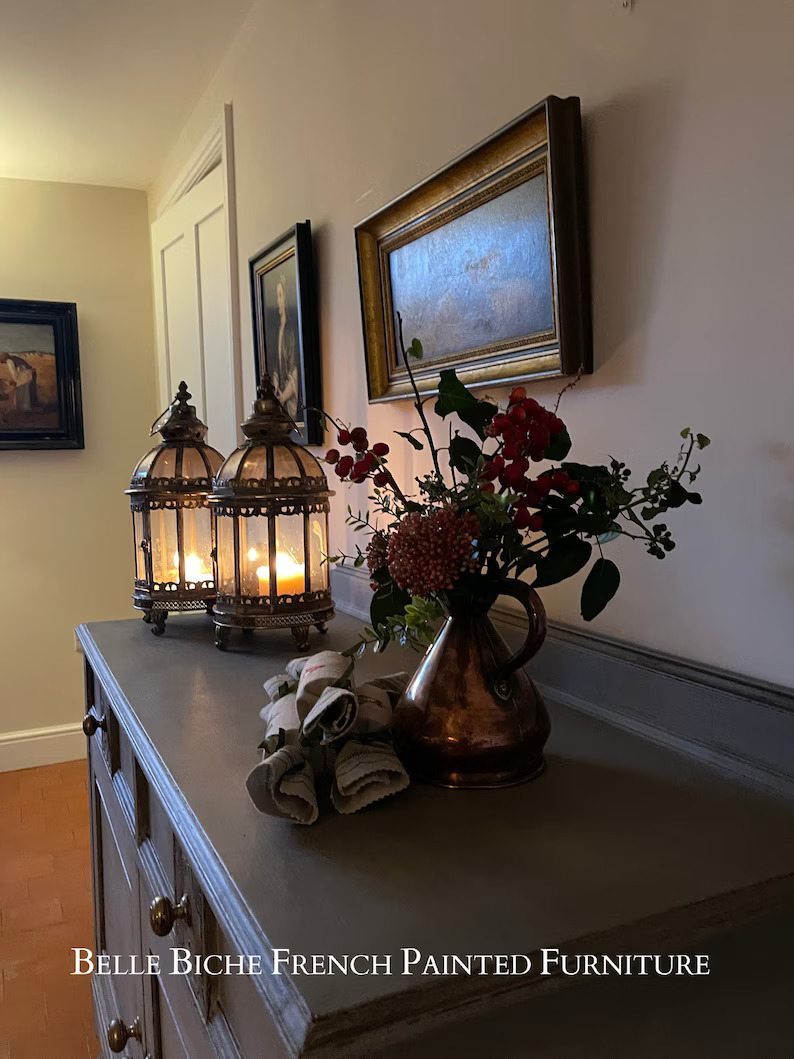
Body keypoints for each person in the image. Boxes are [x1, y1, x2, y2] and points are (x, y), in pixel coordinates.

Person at [271, 273, 299, 420]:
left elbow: (294, 373)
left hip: (288, 402)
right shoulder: (278, 330)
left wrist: (283, 397)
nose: (277, 301)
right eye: (277, 296)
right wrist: (276, 391)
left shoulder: (291, 331)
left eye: (280, 296)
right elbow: (276, 367)